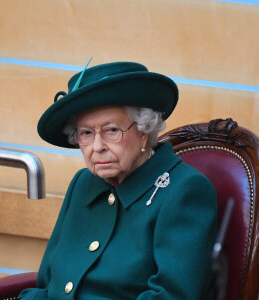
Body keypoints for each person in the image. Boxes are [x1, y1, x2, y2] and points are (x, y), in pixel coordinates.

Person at [19, 61, 217, 300]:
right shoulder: (83, 183)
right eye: (86, 133)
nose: (98, 147)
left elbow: (171, 295)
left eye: (112, 130)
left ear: (144, 130)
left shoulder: (184, 191)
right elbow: (48, 285)